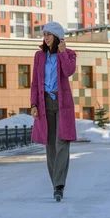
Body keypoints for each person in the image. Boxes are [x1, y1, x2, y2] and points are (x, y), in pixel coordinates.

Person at [30, 22, 77, 202]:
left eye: (49, 34)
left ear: (57, 36)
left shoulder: (69, 54)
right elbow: (35, 82)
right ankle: (55, 184)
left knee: (62, 142)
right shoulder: (39, 56)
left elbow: (69, 71)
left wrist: (63, 52)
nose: (46, 37)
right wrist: (33, 104)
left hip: (62, 104)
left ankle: (59, 185)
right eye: (44, 34)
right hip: (44, 103)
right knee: (50, 145)